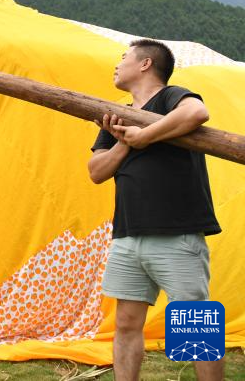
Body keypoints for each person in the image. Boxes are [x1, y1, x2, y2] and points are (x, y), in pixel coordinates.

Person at [88, 39, 222, 381]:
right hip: (127, 235)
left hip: (177, 234)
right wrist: (124, 142)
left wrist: (145, 136)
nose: (117, 64)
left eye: (124, 57)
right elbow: (96, 172)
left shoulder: (170, 97)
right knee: (126, 323)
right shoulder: (116, 115)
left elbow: (197, 113)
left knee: (194, 325)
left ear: (145, 64)